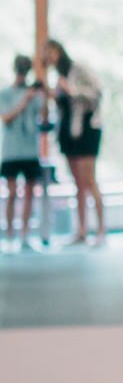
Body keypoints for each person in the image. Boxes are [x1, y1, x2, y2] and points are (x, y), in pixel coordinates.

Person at [40, 39, 103, 245]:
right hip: (68, 131)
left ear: (57, 50)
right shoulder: (57, 76)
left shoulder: (79, 69)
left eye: (48, 52)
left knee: (90, 181)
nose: (46, 57)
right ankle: (81, 231)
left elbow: (97, 92)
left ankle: (101, 230)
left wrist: (71, 90)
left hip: (87, 128)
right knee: (78, 183)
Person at [2, 55, 48, 251]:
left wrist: (43, 96)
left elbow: (44, 119)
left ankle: (25, 236)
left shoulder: (34, 94)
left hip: (30, 150)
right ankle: (9, 235)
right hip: (11, 150)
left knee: (30, 193)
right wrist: (24, 101)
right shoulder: (5, 93)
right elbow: (6, 118)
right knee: (12, 193)